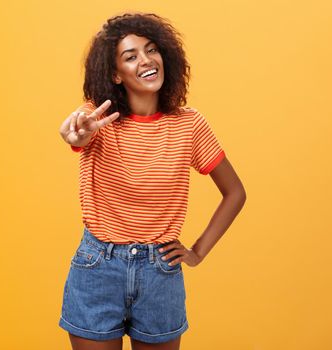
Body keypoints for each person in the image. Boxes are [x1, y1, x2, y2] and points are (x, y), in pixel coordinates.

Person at [58, 12, 246, 350]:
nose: (146, 60)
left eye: (151, 50)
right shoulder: (98, 118)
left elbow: (235, 193)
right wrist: (76, 132)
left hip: (160, 273)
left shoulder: (189, 125)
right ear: (115, 74)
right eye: (130, 56)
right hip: (98, 267)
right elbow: (78, 133)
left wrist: (198, 252)